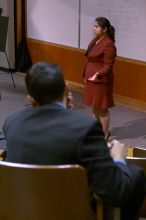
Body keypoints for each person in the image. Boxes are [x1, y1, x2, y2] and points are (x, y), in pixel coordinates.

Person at [3, 61, 145, 220]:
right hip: (71, 214)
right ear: (66, 89)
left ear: (31, 99)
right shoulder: (86, 127)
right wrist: (118, 158)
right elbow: (115, 192)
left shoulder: (12, 123)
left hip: (22, 211)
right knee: (136, 173)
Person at [83, 17, 116, 141]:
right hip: (92, 79)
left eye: (96, 26)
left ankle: (105, 133)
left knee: (102, 108)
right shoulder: (96, 40)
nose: (94, 29)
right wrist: (87, 75)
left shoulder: (109, 45)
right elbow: (90, 58)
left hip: (101, 80)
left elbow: (108, 66)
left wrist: (96, 74)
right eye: (94, 26)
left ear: (105, 29)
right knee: (94, 106)